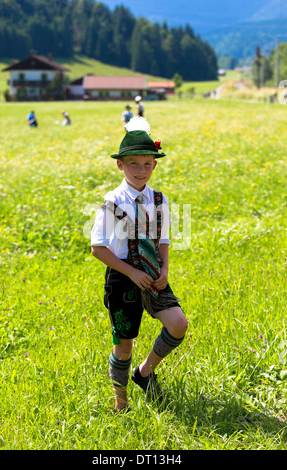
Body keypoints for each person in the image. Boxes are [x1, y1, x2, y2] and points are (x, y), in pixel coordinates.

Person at [91, 117, 188, 412]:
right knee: (124, 345)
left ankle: (144, 373)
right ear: (120, 165)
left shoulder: (160, 200)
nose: (140, 170)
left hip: (153, 274)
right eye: (133, 164)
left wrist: (165, 269)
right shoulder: (113, 202)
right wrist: (132, 272)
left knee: (179, 324)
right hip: (123, 277)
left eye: (147, 164)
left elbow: (164, 239)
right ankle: (121, 404)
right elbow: (97, 248)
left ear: (155, 166)